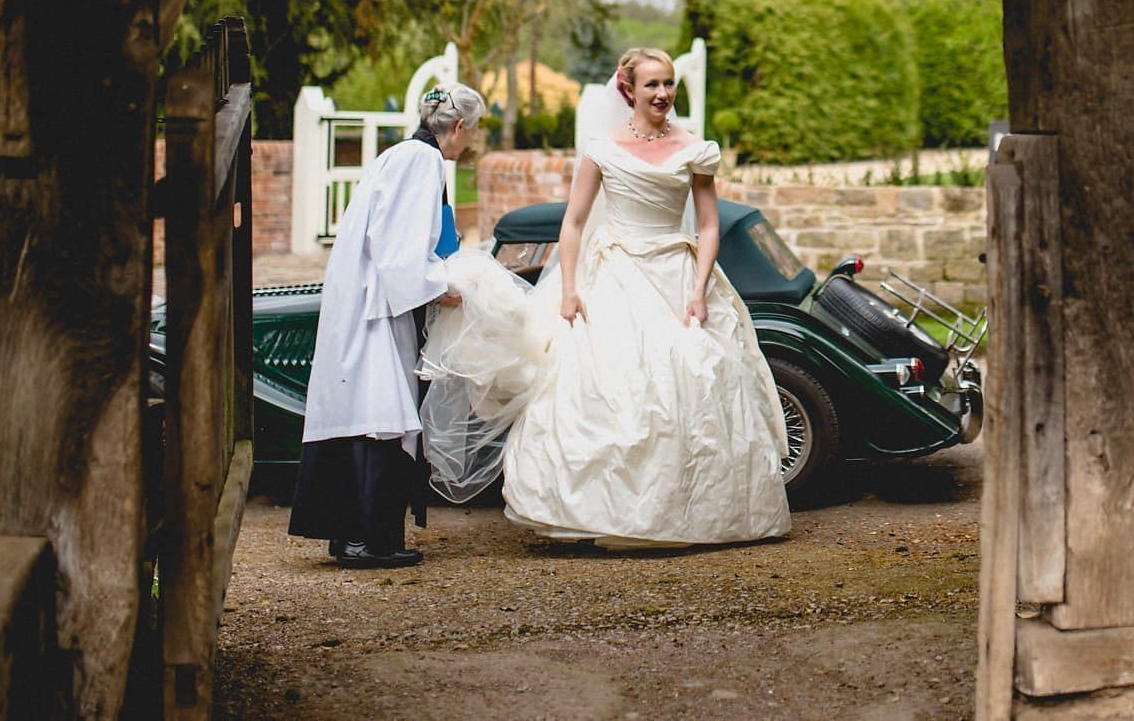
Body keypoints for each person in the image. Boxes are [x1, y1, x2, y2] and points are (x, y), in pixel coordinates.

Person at [422, 47, 790, 547]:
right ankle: (594, 513)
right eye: (652, 85)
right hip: (613, 273)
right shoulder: (603, 149)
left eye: (668, 84)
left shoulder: (695, 149)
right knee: (605, 385)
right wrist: (570, 289)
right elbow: (573, 223)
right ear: (629, 90)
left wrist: (700, 289)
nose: (662, 94)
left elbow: (707, 225)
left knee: (691, 375)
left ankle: (685, 512)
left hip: (676, 274)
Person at [288, 83, 481, 568]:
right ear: (459, 127)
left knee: (367, 409)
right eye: (471, 132)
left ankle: (354, 534)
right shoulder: (422, 161)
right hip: (377, 306)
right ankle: (367, 539)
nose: (469, 142)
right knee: (379, 415)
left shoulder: (400, 154)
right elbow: (399, 244)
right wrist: (439, 287)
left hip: (369, 299)